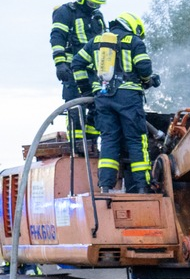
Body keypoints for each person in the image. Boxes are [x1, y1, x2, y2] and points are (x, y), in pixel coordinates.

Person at [71, 12, 160, 194]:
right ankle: (142, 186)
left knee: (109, 139)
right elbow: (144, 68)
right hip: (128, 98)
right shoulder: (134, 41)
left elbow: (77, 63)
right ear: (134, 27)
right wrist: (148, 80)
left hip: (103, 98)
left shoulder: (96, 41)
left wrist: (86, 90)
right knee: (136, 139)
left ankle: (105, 186)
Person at [52, 0, 107, 148]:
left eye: (97, 5)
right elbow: (57, 37)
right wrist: (60, 63)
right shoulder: (65, 12)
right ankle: (77, 147)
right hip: (72, 69)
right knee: (76, 107)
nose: (94, 7)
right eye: (92, 4)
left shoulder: (97, 16)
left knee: (98, 108)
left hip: (94, 72)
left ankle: (91, 145)